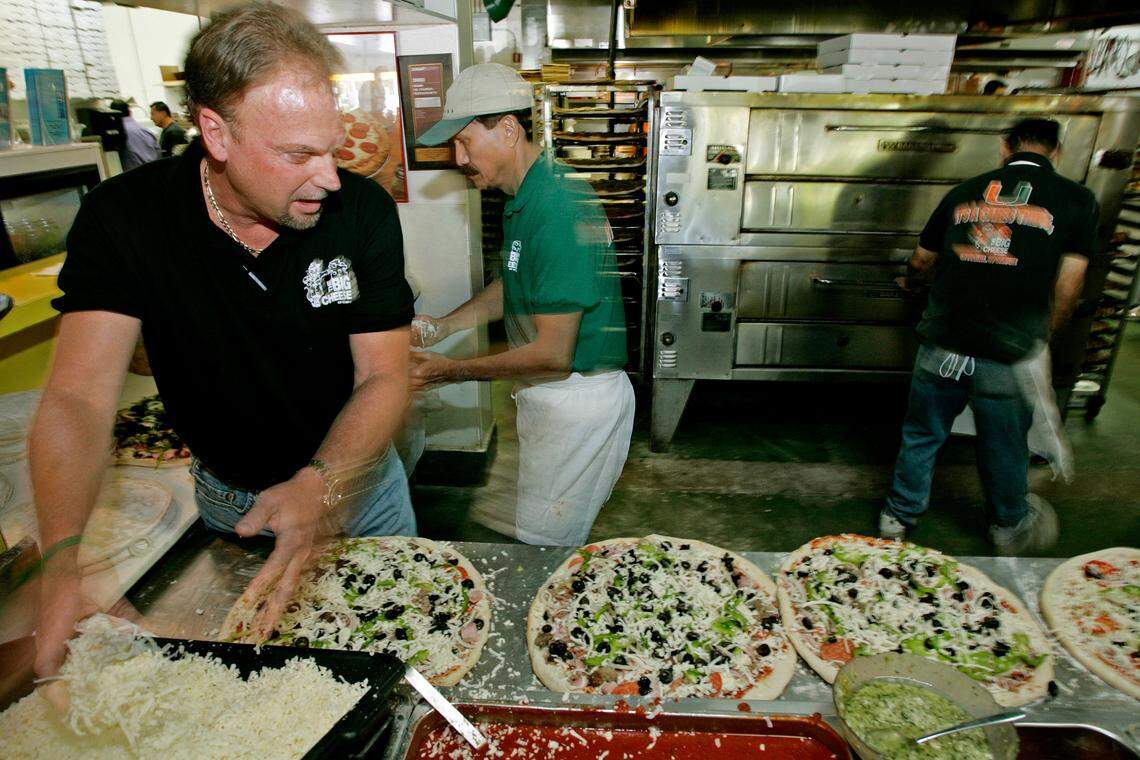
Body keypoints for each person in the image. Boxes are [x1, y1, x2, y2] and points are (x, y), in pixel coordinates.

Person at [30, 2, 416, 692]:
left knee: (394, 671)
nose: (329, 177)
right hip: (233, 506)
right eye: (299, 154)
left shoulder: (360, 211)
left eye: (332, 148)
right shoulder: (128, 220)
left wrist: (320, 483)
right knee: (261, 694)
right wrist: (62, 557)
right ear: (216, 132)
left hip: (359, 490)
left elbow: (384, 375)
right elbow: (77, 395)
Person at [409, 63, 635, 547]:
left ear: (508, 130)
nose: (458, 156)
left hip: (577, 398)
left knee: (542, 551)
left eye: (465, 141)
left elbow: (554, 353)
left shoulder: (556, 207)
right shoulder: (525, 197)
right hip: (550, 395)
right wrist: (441, 326)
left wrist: (450, 371)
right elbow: (513, 284)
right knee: (539, 535)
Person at [879, 118, 1098, 555]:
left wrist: (910, 286)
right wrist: (1041, 339)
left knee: (923, 433)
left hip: (944, 342)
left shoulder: (964, 191)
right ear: (1057, 151)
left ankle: (897, 518)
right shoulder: (1078, 199)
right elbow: (1070, 286)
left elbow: (922, 261)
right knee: (1004, 443)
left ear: (1004, 147)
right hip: (1009, 348)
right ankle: (1007, 526)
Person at [109, 99, 160, 170]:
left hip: (134, 176)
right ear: (130, 111)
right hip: (156, 173)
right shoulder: (146, 131)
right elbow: (158, 153)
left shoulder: (116, 134)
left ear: (112, 115)